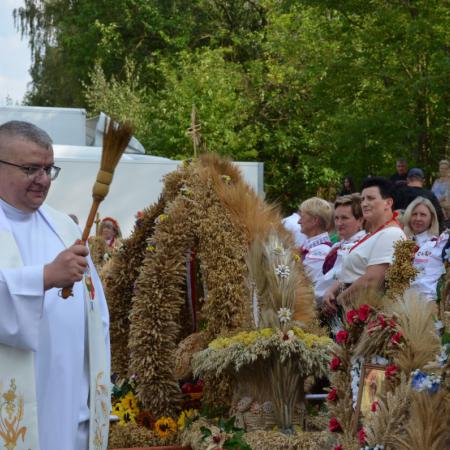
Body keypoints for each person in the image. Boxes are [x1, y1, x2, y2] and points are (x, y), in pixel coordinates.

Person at [0, 121, 110, 450]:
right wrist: (45, 278)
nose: (44, 180)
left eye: (49, 169)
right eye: (31, 168)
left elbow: (97, 314)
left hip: (70, 402)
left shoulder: (63, 226)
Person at [323, 177, 406, 312]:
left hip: (364, 312)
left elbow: (372, 280)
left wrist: (338, 302)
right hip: (352, 307)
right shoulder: (374, 233)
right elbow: (353, 272)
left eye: (371, 198)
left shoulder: (392, 234)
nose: (365, 203)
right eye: (362, 199)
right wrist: (331, 291)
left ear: (388, 203)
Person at [316, 194, 366, 306]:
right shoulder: (338, 245)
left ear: (360, 221)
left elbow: (339, 279)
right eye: (336, 218)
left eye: (344, 218)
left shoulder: (361, 246)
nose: (338, 223)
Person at [403, 197, 445, 302]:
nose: (418, 218)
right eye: (414, 214)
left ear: (432, 219)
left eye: (423, 215)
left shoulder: (438, 245)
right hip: (398, 302)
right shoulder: (400, 242)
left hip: (425, 303)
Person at [298, 197, 333, 292]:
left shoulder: (320, 251)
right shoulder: (313, 247)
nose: (299, 221)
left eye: (302, 217)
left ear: (315, 220)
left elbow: (313, 289)